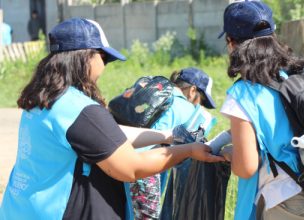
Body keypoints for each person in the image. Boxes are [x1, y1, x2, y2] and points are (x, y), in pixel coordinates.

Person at [0, 18, 223, 220]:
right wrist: (188, 150)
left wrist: (166, 136)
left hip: (21, 209)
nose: (104, 67)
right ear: (86, 56)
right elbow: (131, 168)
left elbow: (109, 135)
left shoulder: (44, 100)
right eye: (104, 58)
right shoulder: (79, 109)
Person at [218, 1, 304, 220]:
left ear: (231, 43)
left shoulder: (243, 94)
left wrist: (229, 154)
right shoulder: (300, 74)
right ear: (273, 36)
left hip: (296, 204)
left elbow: (246, 168)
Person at [129, 67, 217, 220]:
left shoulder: (156, 93)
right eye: (201, 100)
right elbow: (194, 147)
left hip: (120, 157)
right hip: (145, 170)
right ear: (192, 90)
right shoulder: (187, 108)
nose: (199, 106)